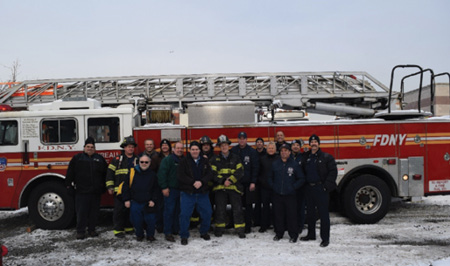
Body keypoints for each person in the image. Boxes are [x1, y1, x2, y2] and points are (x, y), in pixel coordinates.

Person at [65, 137, 107, 239]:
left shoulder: (100, 159)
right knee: (81, 212)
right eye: (88, 147)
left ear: (95, 148)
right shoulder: (77, 158)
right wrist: (68, 185)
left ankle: (92, 230)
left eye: (92, 147)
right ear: (84, 148)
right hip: (81, 191)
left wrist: (104, 186)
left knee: (94, 213)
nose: (90, 149)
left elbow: (105, 174)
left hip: (95, 191)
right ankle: (80, 231)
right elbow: (70, 173)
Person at [300, 134, 337, 247]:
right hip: (309, 189)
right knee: (310, 214)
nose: (314, 143)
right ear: (309, 144)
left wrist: (326, 186)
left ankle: (325, 238)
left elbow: (333, 172)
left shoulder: (326, 157)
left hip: (321, 189)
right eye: (312, 142)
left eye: (316, 142)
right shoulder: (306, 157)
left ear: (319, 144)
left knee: (323, 214)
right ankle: (311, 234)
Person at [177, 141, 213, 245]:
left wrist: (202, 182)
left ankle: (204, 232)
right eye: (193, 149)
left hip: (202, 193)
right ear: (189, 150)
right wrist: (193, 182)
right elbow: (180, 176)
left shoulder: (205, 161)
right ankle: (184, 235)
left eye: (197, 149)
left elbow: (210, 174)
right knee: (184, 215)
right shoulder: (183, 161)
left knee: (207, 213)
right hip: (188, 193)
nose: (195, 151)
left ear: (199, 150)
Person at [210, 134, 246, 238]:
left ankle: (240, 230)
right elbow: (213, 174)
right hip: (220, 188)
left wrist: (229, 180)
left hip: (234, 187)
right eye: (221, 146)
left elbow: (240, 172)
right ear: (219, 147)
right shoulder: (214, 159)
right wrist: (222, 181)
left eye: (225, 145)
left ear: (228, 146)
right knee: (220, 209)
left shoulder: (236, 158)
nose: (224, 147)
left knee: (237, 209)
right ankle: (219, 229)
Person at [268, 143, 305, 243]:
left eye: (286, 151)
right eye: (282, 151)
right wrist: (273, 186)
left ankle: (293, 235)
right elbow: (269, 178)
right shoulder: (275, 164)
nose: (283, 153)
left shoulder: (294, 164)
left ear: (289, 152)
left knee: (291, 216)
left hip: (290, 195)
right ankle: (279, 233)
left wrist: (293, 187)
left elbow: (301, 179)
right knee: (278, 215)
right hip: (277, 194)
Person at [106, 135, 138, 238]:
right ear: (124, 148)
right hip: (119, 190)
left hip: (132, 190)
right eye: (128, 146)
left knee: (129, 210)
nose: (130, 148)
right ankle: (118, 230)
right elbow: (110, 173)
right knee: (119, 210)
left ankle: (128, 228)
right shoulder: (117, 160)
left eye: (132, 147)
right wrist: (110, 186)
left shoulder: (137, 159)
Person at [122, 154, 159, 242]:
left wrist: (153, 200)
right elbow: (125, 187)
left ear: (149, 163)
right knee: (136, 220)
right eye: (142, 162)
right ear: (139, 162)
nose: (144, 163)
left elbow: (156, 189)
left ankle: (150, 235)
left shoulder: (153, 175)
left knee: (151, 220)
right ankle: (139, 234)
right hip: (135, 201)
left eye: (146, 162)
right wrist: (126, 199)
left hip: (148, 202)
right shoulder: (132, 173)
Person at [231, 131, 259, 233]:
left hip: (247, 184)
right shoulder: (234, 151)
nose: (241, 140)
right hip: (236, 183)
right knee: (236, 205)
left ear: (246, 140)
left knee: (248, 206)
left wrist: (253, 182)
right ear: (238, 140)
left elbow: (255, 168)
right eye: (240, 138)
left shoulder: (251, 152)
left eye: (243, 138)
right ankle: (235, 224)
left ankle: (247, 226)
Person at [158, 141, 184, 242]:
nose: (180, 150)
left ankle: (175, 229)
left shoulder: (183, 160)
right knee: (169, 211)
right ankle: (168, 232)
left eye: (181, 148)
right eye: (178, 148)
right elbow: (161, 174)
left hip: (181, 190)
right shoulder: (167, 160)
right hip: (170, 190)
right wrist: (164, 187)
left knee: (178, 211)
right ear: (173, 149)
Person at [257, 141, 278, 233]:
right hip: (264, 187)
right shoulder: (262, 159)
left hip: (276, 187)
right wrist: (262, 181)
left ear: (275, 149)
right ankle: (264, 225)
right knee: (265, 207)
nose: (271, 150)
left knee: (277, 207)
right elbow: (259, 172)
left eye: (272, 148)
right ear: (266, 149)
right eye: (269, 148)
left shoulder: (279, 159)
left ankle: (277, 225)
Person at [291, 139, 306, 233]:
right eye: (293, 145)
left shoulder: (304, 157)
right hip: (290, 187)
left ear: (300, 147)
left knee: (300, 207)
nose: (295, 147)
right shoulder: (288, 158)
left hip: (301, 187)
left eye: (297, 145)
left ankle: (300, 226)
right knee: (291, 208)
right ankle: (292, 225)